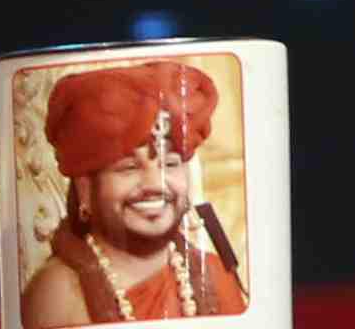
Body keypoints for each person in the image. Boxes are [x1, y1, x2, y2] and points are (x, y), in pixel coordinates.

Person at [16, 62, 243, 325]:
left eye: (170, 164)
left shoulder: (215, 274)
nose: (154, 184)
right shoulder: (58, 295)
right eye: (129, 168)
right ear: (85, 189)